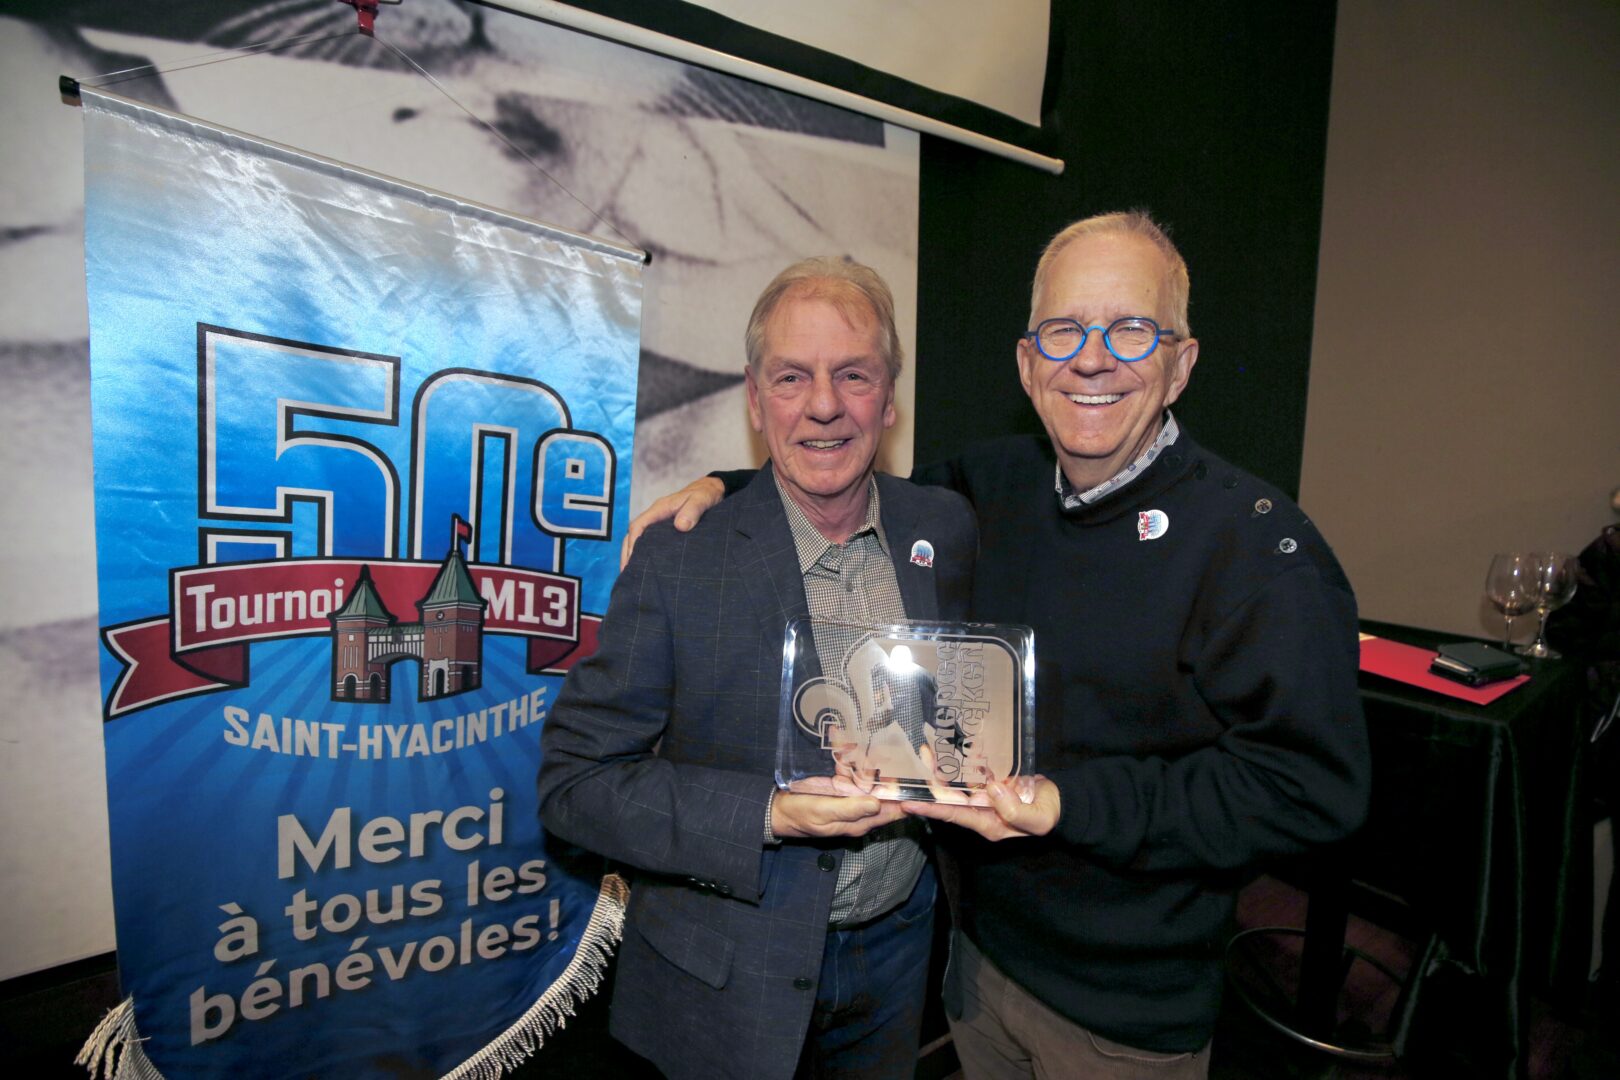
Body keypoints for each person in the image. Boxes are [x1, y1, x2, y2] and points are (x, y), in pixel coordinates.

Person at [623, 211, 1371, 1077]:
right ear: (1027, 362)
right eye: (1063, 330)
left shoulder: (1256, 548)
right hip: (973, 971)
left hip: (1119, 1014)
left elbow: (1313, 792)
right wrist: (728, 485)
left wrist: (1067, 805)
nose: (1092, 358)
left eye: (1131, 329)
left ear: (1181, 363)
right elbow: (841, 470)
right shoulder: (989, 488)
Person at [538, 256, 977, 1080]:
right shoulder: (678, 560)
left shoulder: (944, 527)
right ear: (754, 397)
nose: (822, 404)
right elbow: (574, 785)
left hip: (897, 956)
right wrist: (769, 813)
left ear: (889, 398)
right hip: (724, 980)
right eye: (791, 377)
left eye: (853, 374)